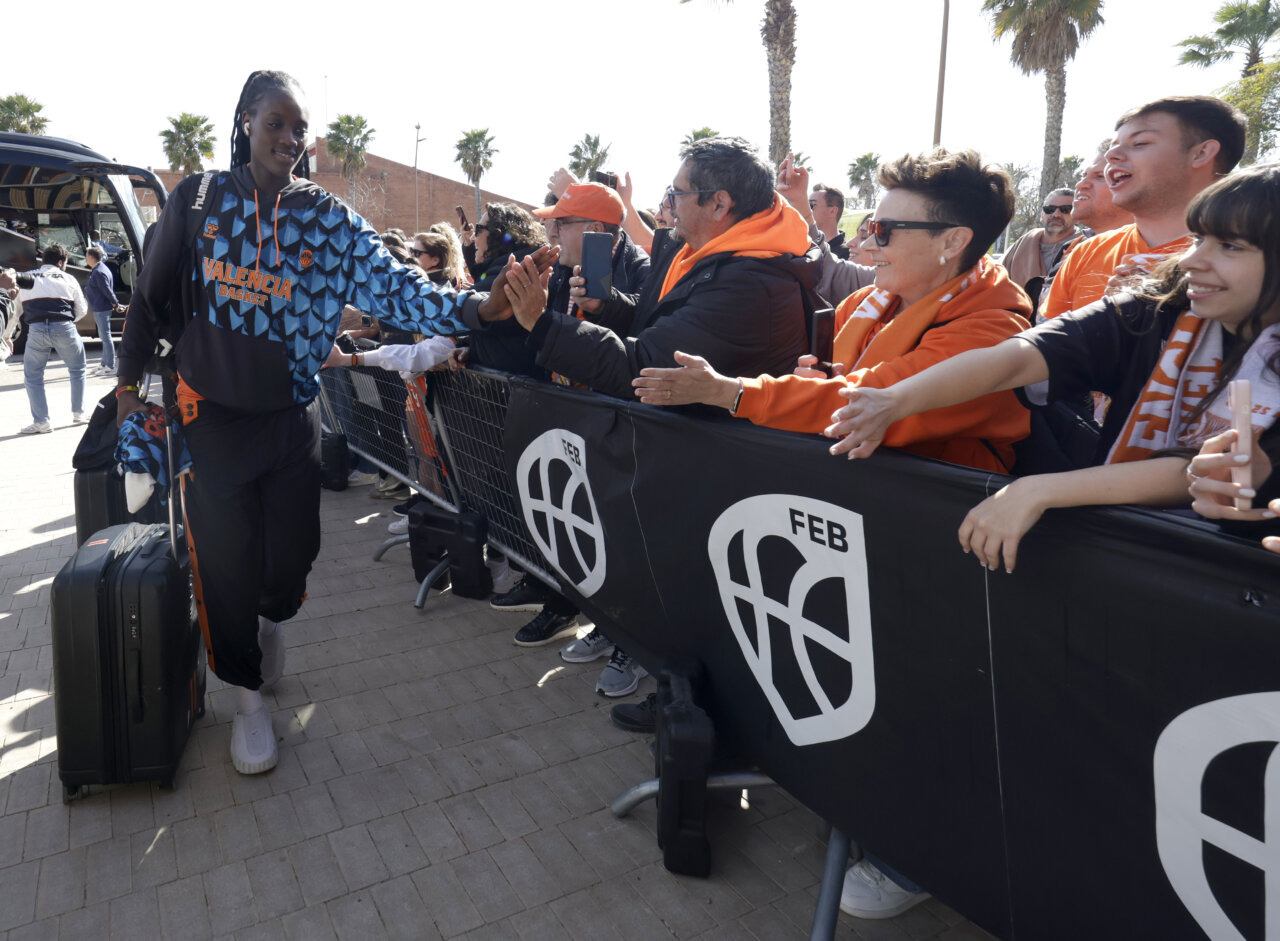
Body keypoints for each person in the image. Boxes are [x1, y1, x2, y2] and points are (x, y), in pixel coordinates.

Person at [112, 69, 545, 777]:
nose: (290, 138)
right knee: (223, 568)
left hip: (290, 420)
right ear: (245, 121)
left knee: (291, 556)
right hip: (210, 422)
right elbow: (152, 301)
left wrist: (482, 310)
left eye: (300, 128)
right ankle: (248, 700)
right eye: (276, 122)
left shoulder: (328, 218)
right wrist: (129, 390)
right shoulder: (197, 201)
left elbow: (395, 285)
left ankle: (271, 615)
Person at [826, 164, 1280, 578]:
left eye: (1231, 246)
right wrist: (895, 400)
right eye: (1198, 239)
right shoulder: (1162, 307)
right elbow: (1019, 357)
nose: (1189, 260)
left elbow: (1194, 472)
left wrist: (1039, 491)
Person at [634, 148, 1032, 477]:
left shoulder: (993, 332)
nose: (867, 243)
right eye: (870, 226)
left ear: (954, 241)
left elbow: (869, 402)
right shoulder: (864, 304)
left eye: (885, 230)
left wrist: (732, 393)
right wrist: (811, 377)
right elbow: (835, 386)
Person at [499, 135, 816, 399]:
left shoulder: (750, 285)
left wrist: (540, 323)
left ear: (719, 204)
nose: (669, 202)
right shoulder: (692, 251)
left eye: (677, 193)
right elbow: (654, 317)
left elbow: (644, 368)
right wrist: (606, 305)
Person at [1041, 95, 1246, 320]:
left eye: (1140, 143)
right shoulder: (1087, 252)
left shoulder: (1256, 257)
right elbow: (1044, 347)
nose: (1111, 156)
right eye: (1113, 148)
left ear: (1201, 153)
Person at [1, 243, 89, 434]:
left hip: (36, 330)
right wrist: (67, 322)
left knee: (33, 377)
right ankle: (79, 414)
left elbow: (14, 312)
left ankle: (42, 421)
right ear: (61, 262)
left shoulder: (27, 278)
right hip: (65, 328)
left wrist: (7, 336)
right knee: (77, 369)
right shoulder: (69, 278)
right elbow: (81, 309)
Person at [1000, 187, 1081, 301]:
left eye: (1066, 210)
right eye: (1050, 209)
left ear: (1077, 216)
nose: (1056, 214)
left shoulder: (1085, 246)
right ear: (1042, 214)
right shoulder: (1024, 243)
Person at [84, 246, 118, 376]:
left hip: (102, 307)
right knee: (104, 336)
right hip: (99, 307)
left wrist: (116, 303)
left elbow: (107, 291)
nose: (86, 259)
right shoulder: (100, 269)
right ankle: (104, 363)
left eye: (87, 256)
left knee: (105, 337)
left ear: (92, 257)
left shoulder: (99, 272)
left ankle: (110, 365)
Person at [810, 183, 850, 259]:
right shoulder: (805, 248)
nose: (807, 209)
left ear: (833, 211)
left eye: (811, 204)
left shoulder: (848, 254)